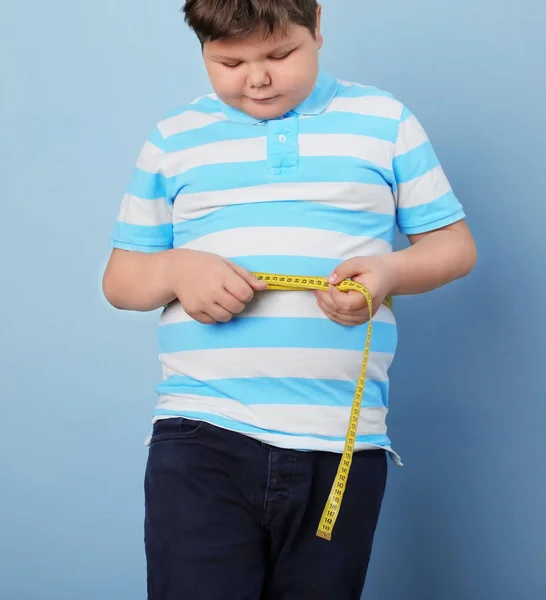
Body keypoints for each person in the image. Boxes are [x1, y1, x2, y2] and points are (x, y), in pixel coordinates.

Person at [102, 1, 477, 598]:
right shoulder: (174, 139)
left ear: (318, 28)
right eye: (228, 61)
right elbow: (121, 279)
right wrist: (176, 268)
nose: (256, 78)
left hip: (344, 442)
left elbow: (454, 247)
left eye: (280, 54)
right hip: (202, 432)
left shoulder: (384, 121)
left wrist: (386, 273)